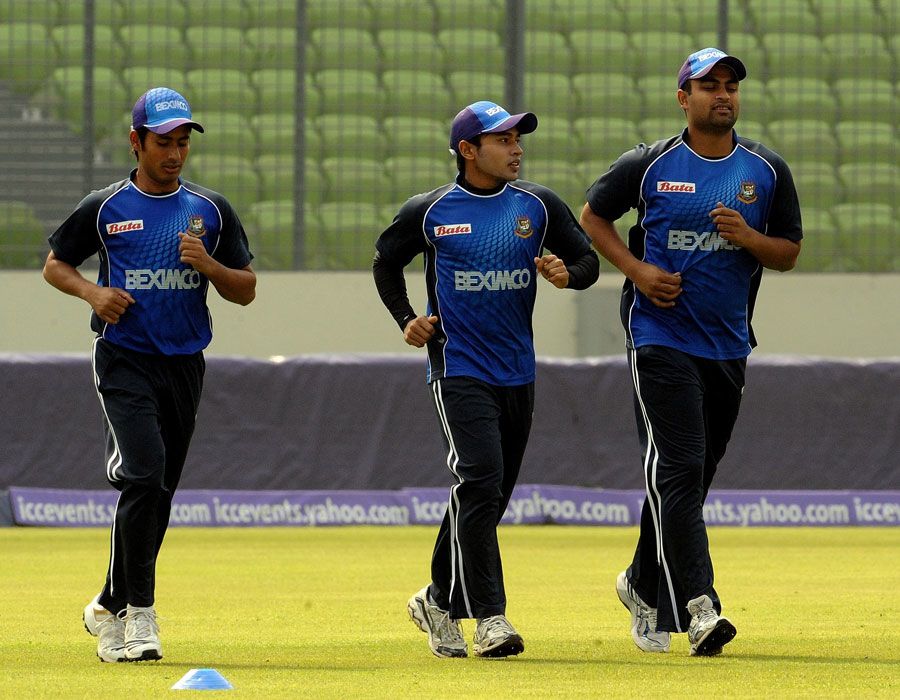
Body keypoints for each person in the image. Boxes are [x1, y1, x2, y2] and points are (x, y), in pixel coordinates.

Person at [580, 48, 803, 656]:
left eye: (730, 85)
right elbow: (592, 217)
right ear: (684, 98)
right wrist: (636, 270)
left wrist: (749, 237)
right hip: (659, 336)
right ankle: (700, 607)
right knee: (679, 468)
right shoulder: (649, 164)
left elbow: (787, 252)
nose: (722, 94)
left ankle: (640, 583)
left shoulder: (767, 170)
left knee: (694, 478)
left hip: (728, 342)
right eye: (709, 86)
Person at [373, 100, 600, 659]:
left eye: (518, 138)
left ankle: (436, 599)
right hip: (458, 367)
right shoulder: (430, 211)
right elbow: (385, 261)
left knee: (488, 493)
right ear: (468, 150)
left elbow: (588, 261)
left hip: (517, 370)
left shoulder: (538, 206)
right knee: (479, 481)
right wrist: (408, 319)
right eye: (503, 140)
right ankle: (491, 618)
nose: (517, 147)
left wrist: (567, 274)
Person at [42, 87, 256, 663]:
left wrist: (208, 265)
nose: (175, 153)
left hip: (184, 363)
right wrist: (93, 293)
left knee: (158, 492)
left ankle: (109, 605)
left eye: (183, 142)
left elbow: (246, 290)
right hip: (124, 358)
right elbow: (56, 263)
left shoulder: (210, 211)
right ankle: (140, 616)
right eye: (163, 142)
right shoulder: (106, 206)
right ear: (136, 142)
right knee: (143, 474)